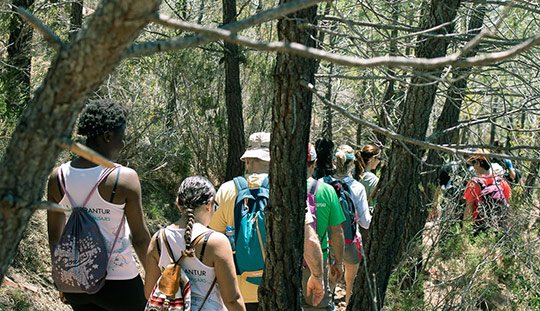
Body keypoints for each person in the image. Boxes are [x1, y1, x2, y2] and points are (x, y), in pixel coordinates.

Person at [47, 99, 151, 310]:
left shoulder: (57, 177)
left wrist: (63, 278)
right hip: (120, 283)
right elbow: (139, 239)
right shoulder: (123, 178)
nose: (123, 143)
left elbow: (55, 237)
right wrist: (154, 278)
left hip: (77, 283)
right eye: (122, 136)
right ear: (108, 136)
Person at [209, 132, 325, 310]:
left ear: (247, 161)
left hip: (239, 294)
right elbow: (309, 239)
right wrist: (317, 276)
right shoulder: (288, 190)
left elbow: (212, 242)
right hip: (281, 291)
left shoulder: (226, 190)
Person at [144, 176, 246, 311]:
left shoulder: (158, 239)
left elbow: (149, 292)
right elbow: (232, 299)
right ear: (209, 205)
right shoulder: (216, 242)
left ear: (178, 204)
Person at [305, 143, 346, 311]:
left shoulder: (279, 189)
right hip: (318, 260)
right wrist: (338, 262)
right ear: (314, 163)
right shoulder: (327, 191)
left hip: (287, 261)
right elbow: (337, 232)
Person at [329, 144, 371, 304]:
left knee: (330, 280)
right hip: (350, 241)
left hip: (328, 241)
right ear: (352, 164)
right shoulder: (357, 187)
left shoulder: (323, 184)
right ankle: (348, 306)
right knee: (350, 281)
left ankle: (328, 306)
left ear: (334, 162)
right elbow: (366, 223)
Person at [462, 149, 511, 232]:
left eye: (474, 163)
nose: (473, 166)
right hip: (499, 228)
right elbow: (508, 203)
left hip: (480, 229)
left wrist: (464, 231)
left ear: (478, 163)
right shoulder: (501, 181)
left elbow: (469, 209)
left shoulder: (474, 183)